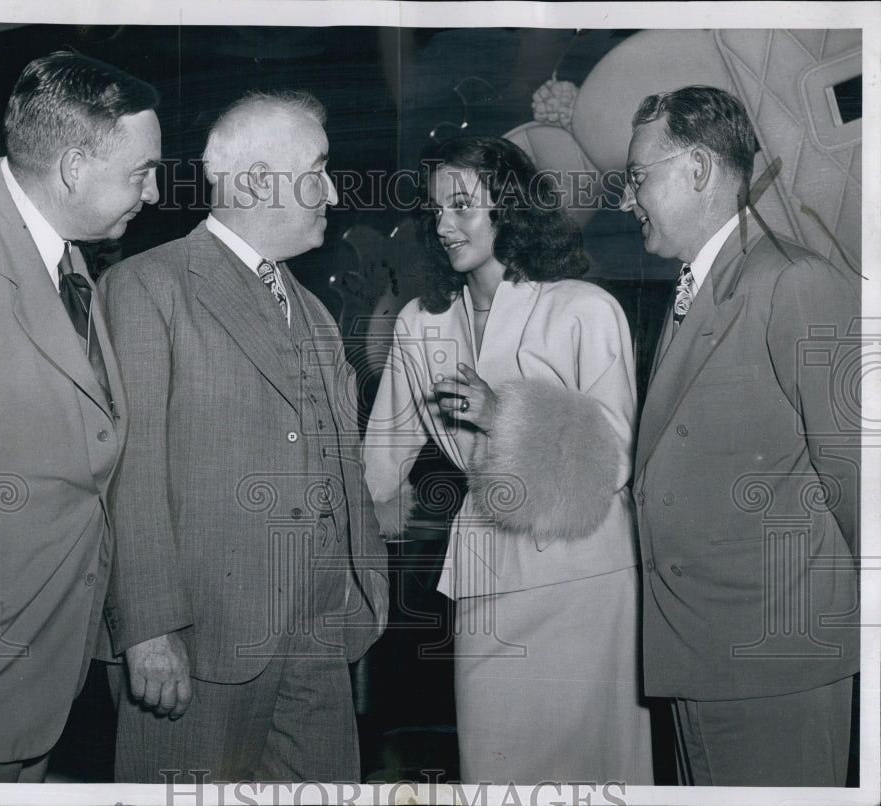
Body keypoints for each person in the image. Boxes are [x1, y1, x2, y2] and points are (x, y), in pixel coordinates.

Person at [98, 90, 389, 783]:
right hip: (198, 646)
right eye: (317, 168)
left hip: (320, 639)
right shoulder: (148, 286)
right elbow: (128, 476)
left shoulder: (314, 310)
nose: (332, 188)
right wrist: (146, 629)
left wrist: (359, 592)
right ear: (259, 181)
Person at [0, 51, 161, 782]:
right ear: (75, 166)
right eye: (140, 171)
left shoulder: (69, 259)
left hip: (39, 673)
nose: (153, 189)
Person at [363, 136, 652, 785]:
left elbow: (617, 457)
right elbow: (381, 455)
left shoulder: (584, 308)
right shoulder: (421, 322)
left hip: (587, 573)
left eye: (462, 205)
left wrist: (503, 415)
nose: (443, 225)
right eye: (435, 211)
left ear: (511, 207)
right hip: (489, 569)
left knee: (597, 769)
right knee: (495, 765)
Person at [620, 85, 860, 786]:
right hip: (702, 649)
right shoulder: (697, 287)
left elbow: (860, 480)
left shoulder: (796, 282)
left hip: (774, 660)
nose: (626, 200)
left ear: (697, 170)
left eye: (638, 178)